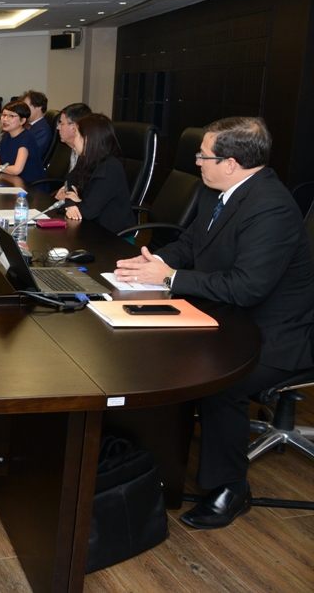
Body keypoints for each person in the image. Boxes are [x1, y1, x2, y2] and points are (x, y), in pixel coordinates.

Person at [114, 116, 314, 529]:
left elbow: (247, 287)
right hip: (228, 315)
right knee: (148, 344)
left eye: (203, 155)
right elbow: (191, 242)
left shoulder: (271, 207)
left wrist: (169, 278)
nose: (196, 161)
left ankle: (232, 488)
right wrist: (153, 263)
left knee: (219, 382)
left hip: (276, 334)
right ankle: (146, 455)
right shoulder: (218, 191)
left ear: (231, 163)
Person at [61, 113, 136, 235]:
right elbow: (70, 180)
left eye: (77, 136)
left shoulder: (110, 168)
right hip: (91, 228)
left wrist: (76, 202)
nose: (74, 140)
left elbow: (88, 212)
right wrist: (71, 204)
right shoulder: (88, 159)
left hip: (114, 238)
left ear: (87, 140)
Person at [0, 101, 47, 186]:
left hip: (30, 186)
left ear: (22, 121)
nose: (5, 119)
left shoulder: (26, 138)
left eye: (11, 116)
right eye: (4, 115)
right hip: (11, 181)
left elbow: (17, 170)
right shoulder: (7, 135)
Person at [53, 103, 92, 201]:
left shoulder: (90, 158)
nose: (58, 127)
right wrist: (63, 191)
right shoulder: (68, 149)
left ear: (74, 127)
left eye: (61, 123)